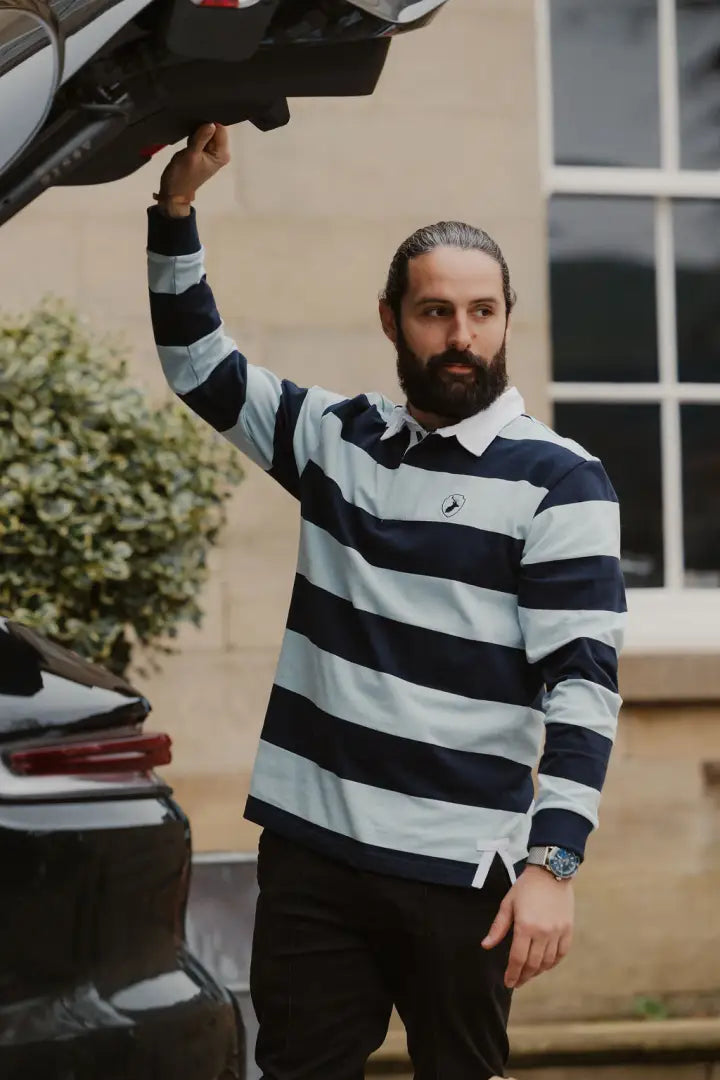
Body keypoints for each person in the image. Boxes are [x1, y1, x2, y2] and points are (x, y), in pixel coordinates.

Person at [147, 122, 625, 1080]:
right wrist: (177, 211)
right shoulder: (338, 441)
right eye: (436, 313)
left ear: (505, 318)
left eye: (483, 313)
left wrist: (553, 867)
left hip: (461, 872)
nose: (462, 338)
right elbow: (200, 366)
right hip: (313, 853)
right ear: (390, 319)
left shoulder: (561, 481)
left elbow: (582, 685)